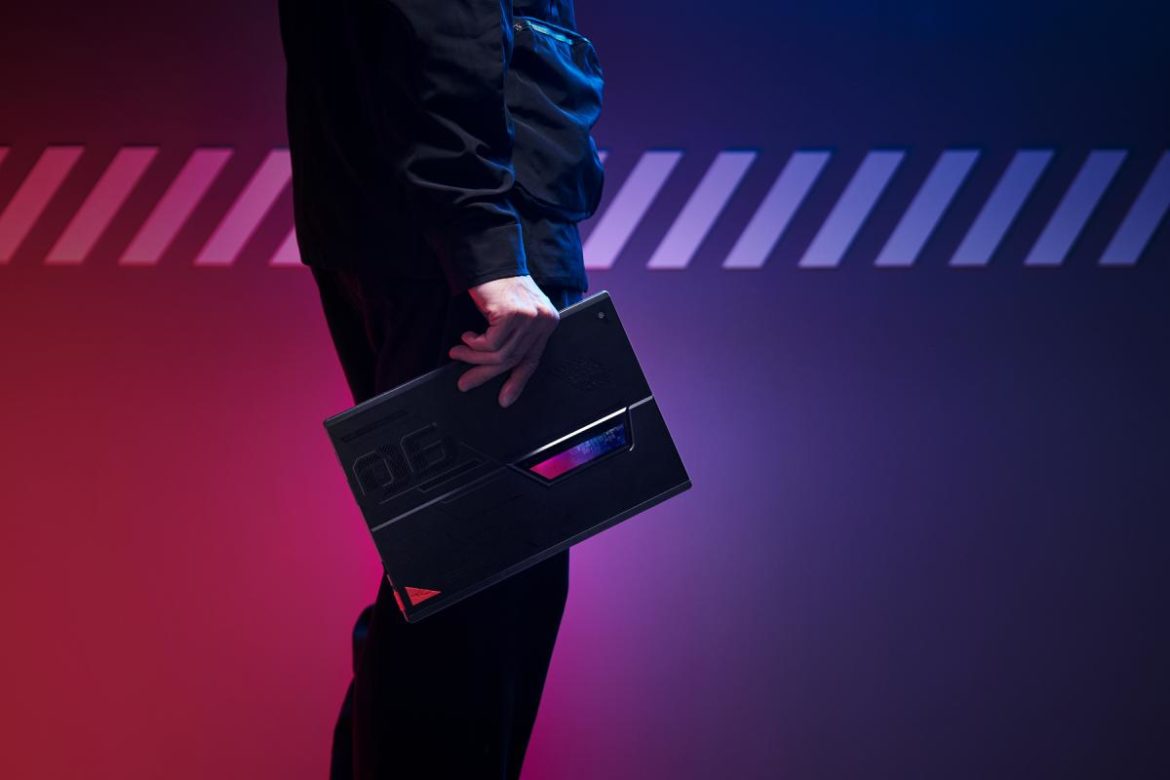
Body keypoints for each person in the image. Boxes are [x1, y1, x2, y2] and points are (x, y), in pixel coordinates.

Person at [276, 0, 605, 777]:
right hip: (471, 226)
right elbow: (442, 18)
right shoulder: (473, 231)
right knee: (479, 600)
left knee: (451, 586)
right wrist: (484, 240)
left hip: (419, 210)